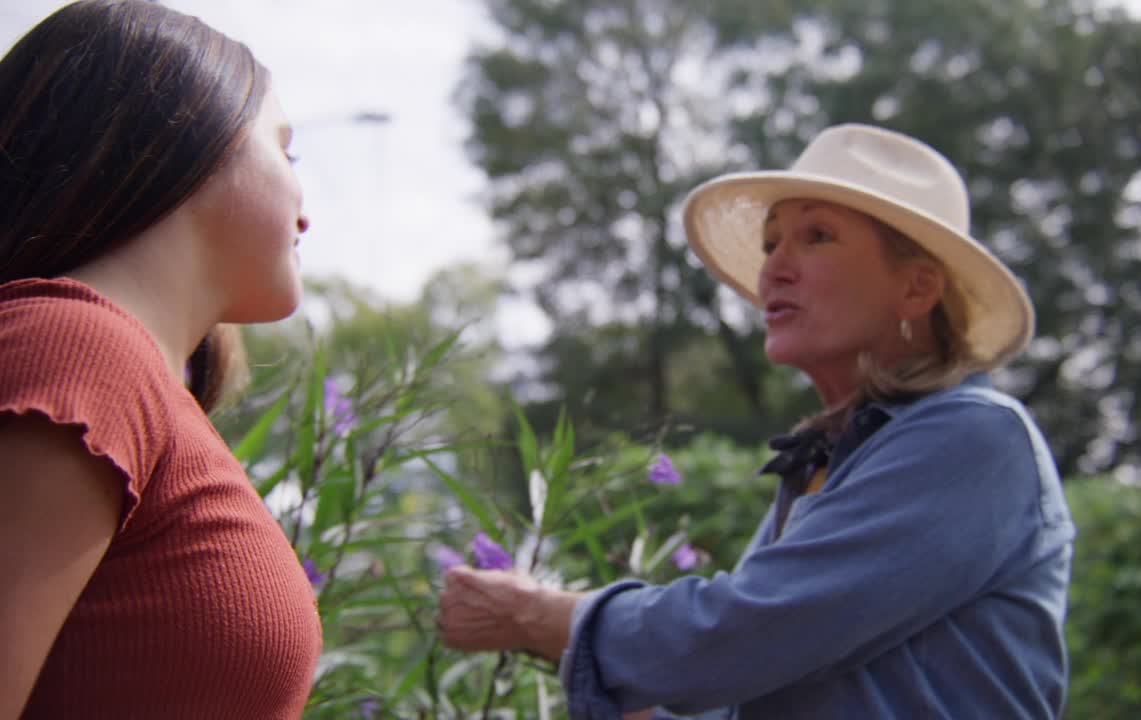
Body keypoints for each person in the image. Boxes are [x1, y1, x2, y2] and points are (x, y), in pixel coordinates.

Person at [437, 124, 1075, 719]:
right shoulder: (833, 458)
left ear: (916, 289)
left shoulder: (972, 438)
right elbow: (757, 673)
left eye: (817, 236)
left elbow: (750, 632)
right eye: (771, 243)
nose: (774, 268)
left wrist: (539, 617)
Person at [0, 2, 320, 717]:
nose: (306, 205)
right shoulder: (71, 351)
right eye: (287, 151)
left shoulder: (118, 373)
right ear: (183, 139)